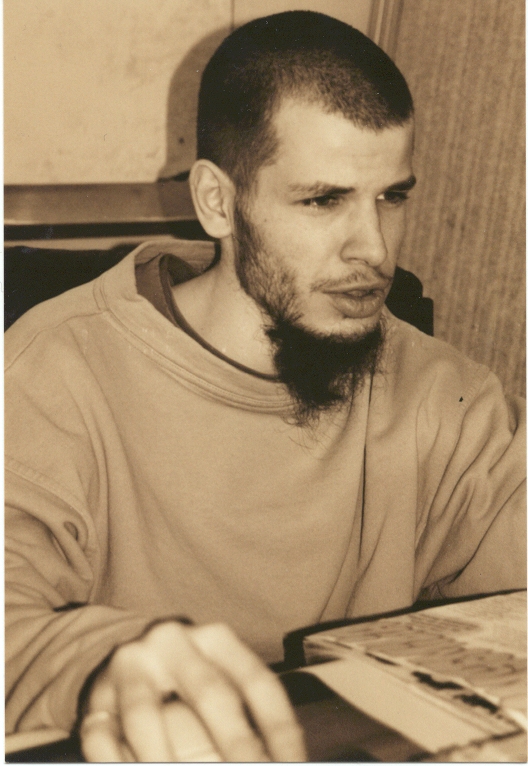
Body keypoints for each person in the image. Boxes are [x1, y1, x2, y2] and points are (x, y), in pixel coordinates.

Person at [5, 10, 525, 763]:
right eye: (323, 200)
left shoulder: (439, 391)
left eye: (391, 197)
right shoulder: (50, 375)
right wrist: (99, 665)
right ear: (218, 202)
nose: (373, 250)